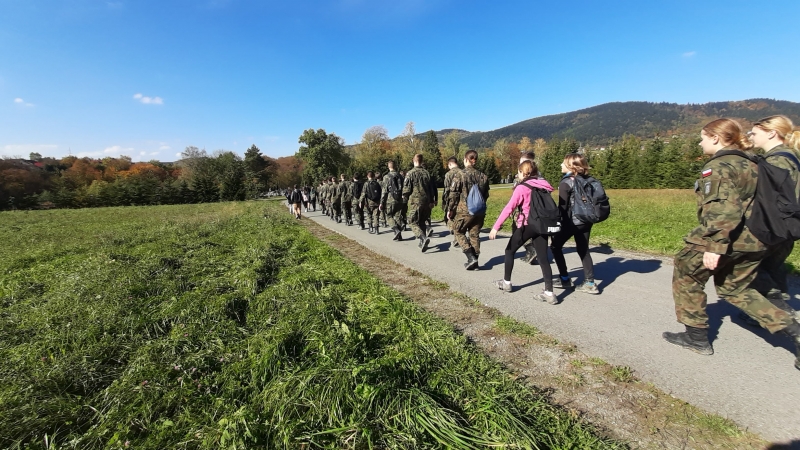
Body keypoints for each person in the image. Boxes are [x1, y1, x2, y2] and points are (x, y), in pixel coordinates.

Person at [663, 118, 800, 370]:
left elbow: (723, 209)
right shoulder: (756, 163)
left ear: (716, 138)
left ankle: (696, 337)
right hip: (758, 239)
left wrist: (715, 246)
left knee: (687, 273)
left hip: (729, 237)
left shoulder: (720, 165)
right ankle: (795, 332)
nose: (700, 143)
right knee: (736, 289)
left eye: (703, 138)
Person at [747, 115, 800, 320]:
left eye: (754, 133)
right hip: (788, 222)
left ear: (771, 133)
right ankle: (774, 310)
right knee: (773, 266)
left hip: (775, 223)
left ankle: (777, 310)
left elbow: (771, 197)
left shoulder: (777, 160)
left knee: (752, 265)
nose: (751, 136)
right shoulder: (790, 156)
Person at [489, 160, 556, 303]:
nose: (517, 175)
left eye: (518, 172)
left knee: (509, 251)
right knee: (543, 258)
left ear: (523, 173)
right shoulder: (543, 185)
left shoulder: (522, 188)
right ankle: (549, 293)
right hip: (542, 225)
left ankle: (506, 283)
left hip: (527, 225)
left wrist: (496, 227)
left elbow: (509, 208)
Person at [550, 153, 598, 294]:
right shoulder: (588, 180)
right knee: (583, 249)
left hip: (572, 221)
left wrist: (556, 222)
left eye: (564, 163)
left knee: (555, 246)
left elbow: (563, 208)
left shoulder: (566, 183)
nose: (561, 165)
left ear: (571, 166)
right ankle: (590, 282)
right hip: (587, 220)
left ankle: (564, 278)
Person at [447, 150, 490, 270]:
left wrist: (450, 209)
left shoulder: (460, 174)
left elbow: (454, 194)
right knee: (474, 234)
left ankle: (471, 257)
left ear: (466, 160)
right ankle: (475, 261)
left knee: (457, 231)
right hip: (480, 210)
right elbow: (486, 194)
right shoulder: (483, 176)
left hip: (465, 210)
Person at [403, 154, 436, 251]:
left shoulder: (410, 173)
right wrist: (432, 200)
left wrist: (404, 199)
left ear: (413, 160)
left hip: (416, 201)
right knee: (422, 221)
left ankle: (422, 238)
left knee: (411, 221)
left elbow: (406, 189)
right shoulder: (426, 173)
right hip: (427, 201)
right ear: (422, 161)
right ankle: (423, 243)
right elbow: (431, 188)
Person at [513, 151, 539, 265]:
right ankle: (530, 252)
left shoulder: (525, 178)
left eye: (523, 162)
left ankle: (531, 249)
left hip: (524, 210)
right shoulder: (537, 177)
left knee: (519, 231)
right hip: (531, 210)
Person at [381, 161, 405, 240]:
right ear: (395, 166)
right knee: (398, 216)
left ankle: (396, 229)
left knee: (389, 216)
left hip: (390, 199)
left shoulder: (386, 177)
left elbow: (384, 191)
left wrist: (382, 202)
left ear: (388, 167)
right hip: (400, 199)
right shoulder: (401, 176)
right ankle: (399, 236)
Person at [442, 156, 461, 247]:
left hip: (452, 199)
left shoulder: (448, 174)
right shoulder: (463, 172)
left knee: (449, 218)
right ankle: (457, 238)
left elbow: (447, 189)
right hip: (462, 200)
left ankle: (456, 235)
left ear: (450, 164)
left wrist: (445, 202)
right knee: (458, 218)